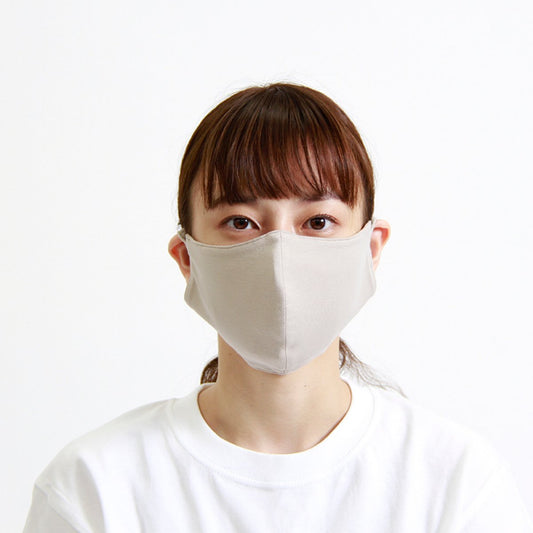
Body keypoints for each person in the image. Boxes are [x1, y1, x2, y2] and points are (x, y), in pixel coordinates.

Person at [23, 82, 532, 532]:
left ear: (371, 248)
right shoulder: (94, 489)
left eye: (318, 222)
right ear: (187, 258)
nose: (280, 253)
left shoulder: (456, 484)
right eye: (241, 222)